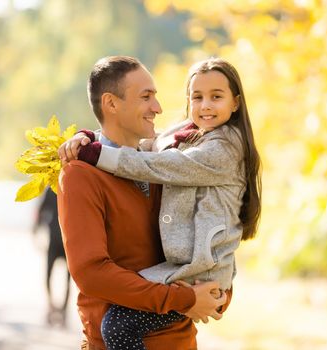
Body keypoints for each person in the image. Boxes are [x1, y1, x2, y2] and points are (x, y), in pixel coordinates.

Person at [60, 57, 262, 350]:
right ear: (111, 104)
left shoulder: (171, 165)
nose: (158, 108)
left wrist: (215, 294)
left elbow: (209, 242)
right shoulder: (82, 173)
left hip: (181, 341)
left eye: (216, 97)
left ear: (235, 103)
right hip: (113, 339)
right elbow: (92, 273)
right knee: (117, 325)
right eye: (146, 97)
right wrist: (89, 139)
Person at [32, 188, 71, 326]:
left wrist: (35, 229)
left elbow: (40, 212)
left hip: (67, 242)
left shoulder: (71, 186)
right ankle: (52, 307)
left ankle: (62, 311)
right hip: (57, 240)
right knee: (50, 276)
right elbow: (41, 211)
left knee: (66, 279)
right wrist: (35, 230)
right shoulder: (53, 189)